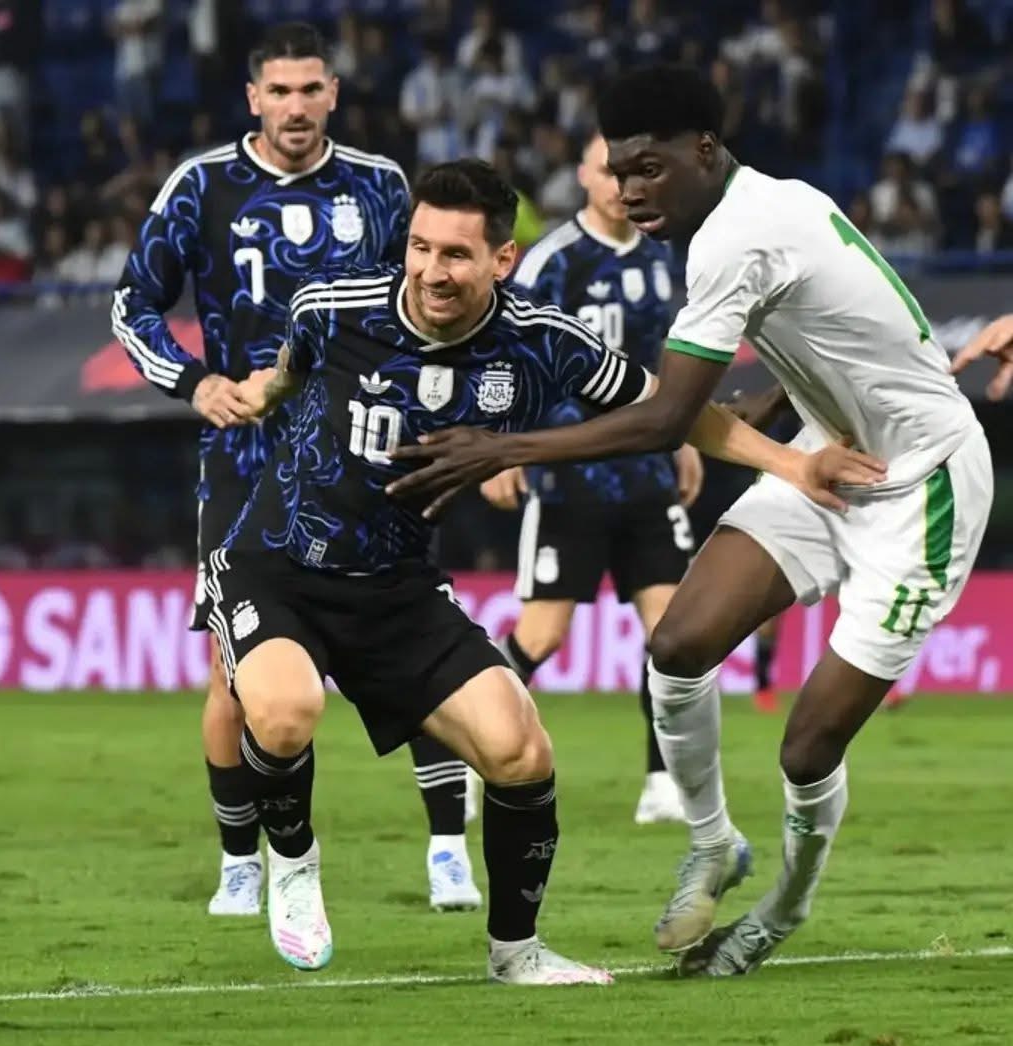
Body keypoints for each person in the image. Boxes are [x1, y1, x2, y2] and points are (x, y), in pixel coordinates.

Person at [386, 64, 991, 977]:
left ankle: (779, 911)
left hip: (924, 487)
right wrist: (771, 411)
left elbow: (666, 418)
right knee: (675, 646)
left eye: (650, 169)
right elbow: (830, 333)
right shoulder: (765, 206)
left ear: (704, 151)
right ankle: (713, 843)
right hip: (827, 455)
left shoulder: (733, 239)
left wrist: (502, 449)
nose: (632, 192)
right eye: (618, 172)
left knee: (807, 745)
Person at [215, 158, 872, 981]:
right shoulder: (333, 307)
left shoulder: (541, 342)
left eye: (456, 254)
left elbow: (670, 409)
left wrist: (792, 464)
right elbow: (290, 370)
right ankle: (294, 862)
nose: (431, 271)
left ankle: (516, 952)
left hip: (398, 588)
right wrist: (263, 393)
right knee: (286, 712)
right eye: (420, 247)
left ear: (502, 259)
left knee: (520, 751)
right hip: (278, 563)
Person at [109, 23, 479, 920]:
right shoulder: (202, 185)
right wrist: (197, 383)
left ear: (334, 94)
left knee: (414, 650)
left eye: (311, 89)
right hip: (245, 461)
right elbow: (132, 306)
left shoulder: (380, 186)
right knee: (231, 676)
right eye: (279, 91)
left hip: (367, 450)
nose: (296, 106)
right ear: (253, 99)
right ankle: (242, 862)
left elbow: (429, 304)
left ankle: (447, 852)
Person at [481, 131, 698, 824]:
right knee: (541, 636)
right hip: (570, 477)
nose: (619, 185)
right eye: (607, 170)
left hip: (646, 477)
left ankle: (662, 782)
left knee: (671, 634)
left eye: (632, 172)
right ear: (582, 176)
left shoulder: (662, 257)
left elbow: (670, 358)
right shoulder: (554, 260)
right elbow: (504, 353)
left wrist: (686, 438)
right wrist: (504, 446)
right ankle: (469, 747)